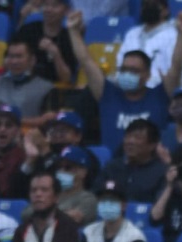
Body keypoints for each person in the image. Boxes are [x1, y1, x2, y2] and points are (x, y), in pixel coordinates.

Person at [68, 10, 173, 153]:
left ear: (148, 75)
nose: (127, 74)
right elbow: (85, 61)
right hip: (113, 169)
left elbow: (177, 66)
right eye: (124, 70)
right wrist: (73, 31)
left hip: (150, 167)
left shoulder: (159, 96)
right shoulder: (108, 95)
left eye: (134, 71)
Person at [10, 172, 83, 242]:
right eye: (34, 190)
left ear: (56, 197)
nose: (38, 194)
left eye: (44, 190)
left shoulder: (68, 227)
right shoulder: (22, 229)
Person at [81, 180, 149, 242]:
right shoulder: (88, 232)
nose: (107, 204)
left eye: (112, 200)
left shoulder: (135, 237)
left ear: (124, 206)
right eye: (103, 200)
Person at [0, 40, 56, 126]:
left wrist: (11, 120)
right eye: (11, 56)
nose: (14, 61)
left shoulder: (47, 88)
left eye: (19, 57)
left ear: (32, 60)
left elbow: (48, 119)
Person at [97, 119, 169, 204]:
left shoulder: (161, 172)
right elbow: (96, 194)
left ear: (152, 146)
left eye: (137, 138)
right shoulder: (112, 167)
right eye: (127, 136)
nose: (130, 141)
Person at [118, 0, 178, 87]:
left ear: (166, 10)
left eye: (153, 5)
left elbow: (173, 70)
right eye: (145, 4)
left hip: (157, 89)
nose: (148, 8)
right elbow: (120, 62)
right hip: (127, 87)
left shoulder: (173, 35)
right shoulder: (132, 33)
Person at [15, 0, 77, 84]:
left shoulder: (69, 38)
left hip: (56, 90)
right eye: (45, 5)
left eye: (55, 6)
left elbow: (67, 79)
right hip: (24, 83)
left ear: (66, 10)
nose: (49, 9)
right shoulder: (28, 30)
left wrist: (56, 54)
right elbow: (10, 60)